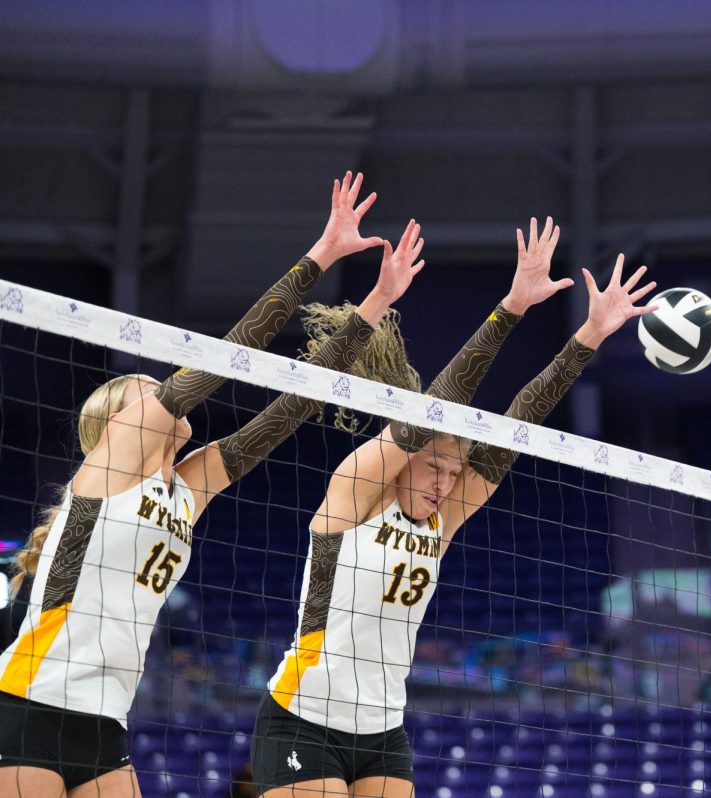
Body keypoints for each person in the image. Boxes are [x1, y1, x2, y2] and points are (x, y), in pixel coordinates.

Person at [0, 173, 428, 798]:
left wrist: (370, 310)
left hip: (105, 721)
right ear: (120, 420)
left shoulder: (184, 489)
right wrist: (321, 256)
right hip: (30, 705)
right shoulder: (113, 469)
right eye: (147, 389)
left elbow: (289, 412)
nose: (160, 389)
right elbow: (229, 354)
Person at [252, 219, 657, 798]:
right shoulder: (358, 494)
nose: (445, 483)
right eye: (434, 467)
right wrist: (511, 307)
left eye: (454, 472)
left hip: (383, 730)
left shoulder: (442, 519)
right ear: (405, 456)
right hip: (304, 717)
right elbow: (437, 405)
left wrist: (587, 336)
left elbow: (519, 422)